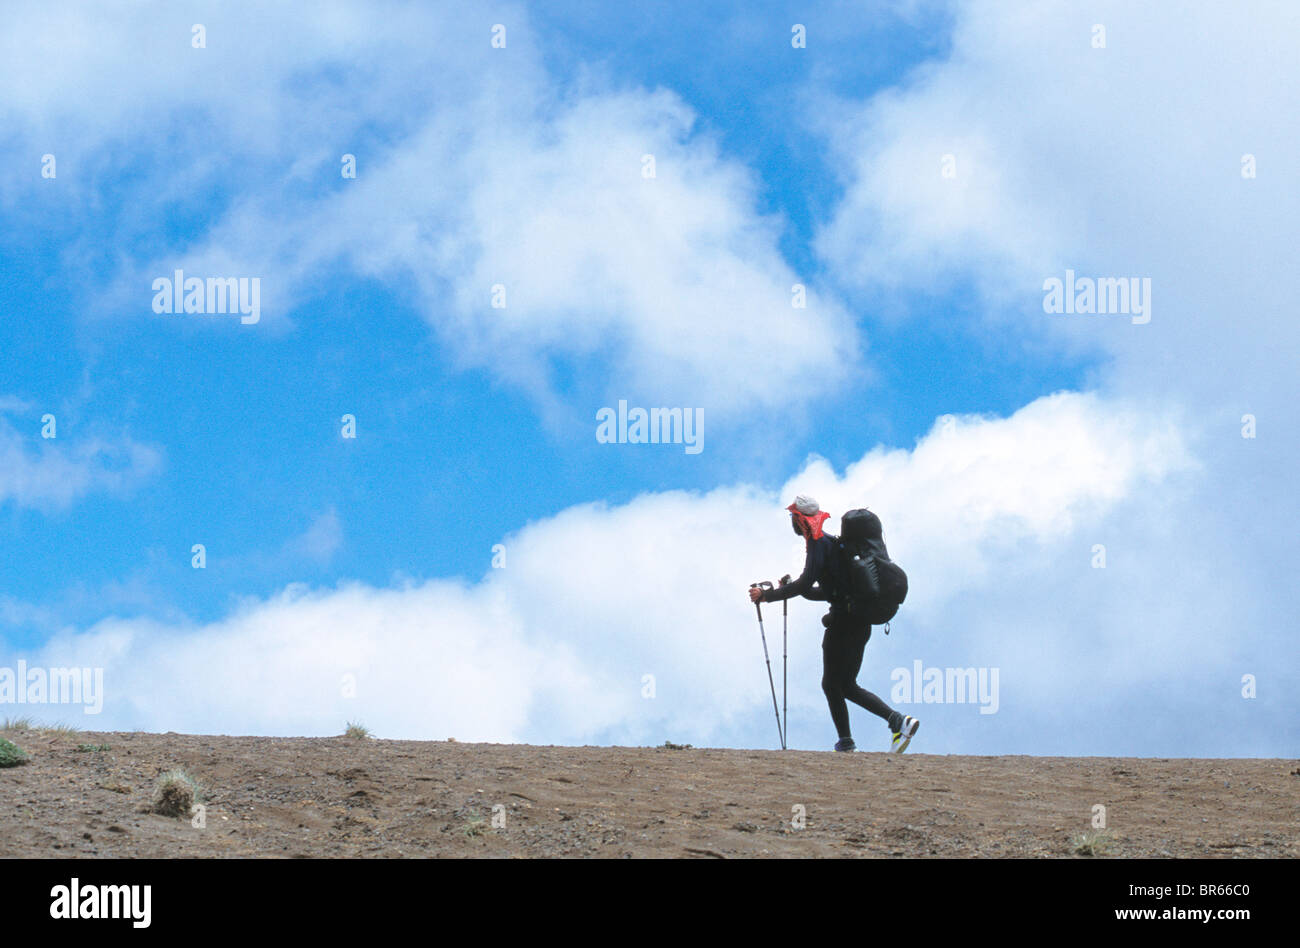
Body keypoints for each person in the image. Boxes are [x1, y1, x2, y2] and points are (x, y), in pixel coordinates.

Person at [749, 495, 919, 753]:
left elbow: (806, 584)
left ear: (800, 519)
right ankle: (885, 727)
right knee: (845, 685)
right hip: (859, 622)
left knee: (833, 684)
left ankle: (867, 734)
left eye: (792, 517)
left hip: (843, 624)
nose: (792, 522)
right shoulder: (832, 545)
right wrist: (791, 588)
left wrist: (767, 596)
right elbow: (826, 592)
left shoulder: (818, 545)